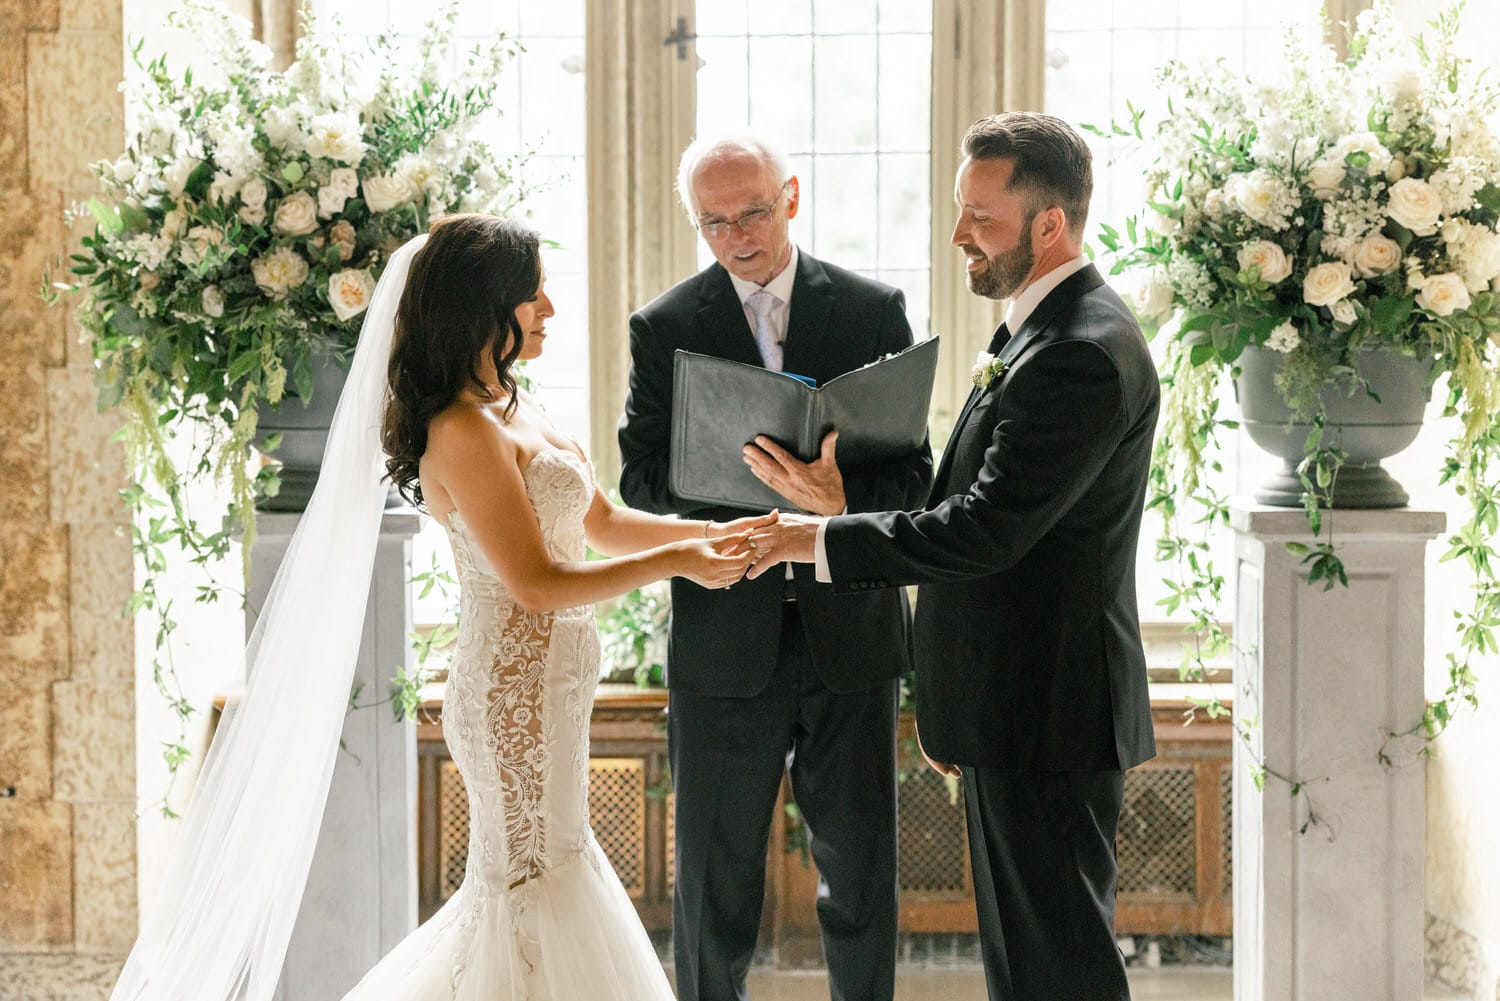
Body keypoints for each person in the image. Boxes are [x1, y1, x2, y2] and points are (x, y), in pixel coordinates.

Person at [108, 215, 771, 1001]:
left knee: (552, 869)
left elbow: (600, 524)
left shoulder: (522, 409)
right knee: (529, 885)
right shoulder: (459, 430)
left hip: (555, 691)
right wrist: (681, 564)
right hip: (509, 694)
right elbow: (536, 583)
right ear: (481, 310)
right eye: (533, 298)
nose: (550, 310)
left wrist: (712, 535)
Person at [743, 112, 1161, 1001]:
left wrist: (814, 539)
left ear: (1051, 224)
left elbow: (984, 532)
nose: (959, 233)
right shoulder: (1038, 332)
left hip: (1048, 708)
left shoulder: (1080, 352)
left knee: (1061, 965)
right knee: (1028, 964)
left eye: (982, 216)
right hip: (1016, 703)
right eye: (959, 209)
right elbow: (984, 503)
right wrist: (846, 501)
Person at [617, 134, 933, 1001]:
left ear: (791, 197)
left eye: (752, 211)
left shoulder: (873, 310)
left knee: (862, 879)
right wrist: (742, 492)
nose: (737, 236)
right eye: (713, 222)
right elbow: (639, 479)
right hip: (725, 638)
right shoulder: (665, 326)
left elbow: (915, 478)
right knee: (713, 890)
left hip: (851, 635)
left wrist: (837, 492)